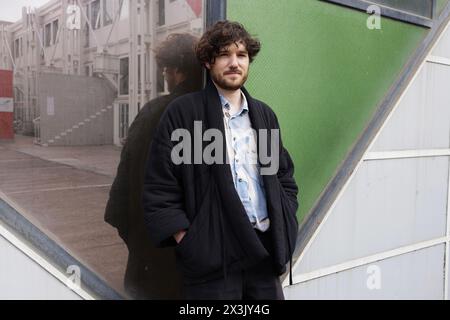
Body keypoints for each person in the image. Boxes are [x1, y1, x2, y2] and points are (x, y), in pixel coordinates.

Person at [142, 20, 299, 300]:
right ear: (207, 62)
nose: (234, 63)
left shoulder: (264, 115)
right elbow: (160, 186)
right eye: (224, 55)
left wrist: (285, 217)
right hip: (214, 260)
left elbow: (284, 176)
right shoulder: (184, 113)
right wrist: (191, 241)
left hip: (264, 252)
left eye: (241, 55)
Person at [104, 33, 203, 299]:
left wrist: (141, 246)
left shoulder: (154, 113)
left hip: (153, 265)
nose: (165, 77)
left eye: (165, 70)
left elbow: (122, 198)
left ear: (175, 70)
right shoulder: (219, 114)